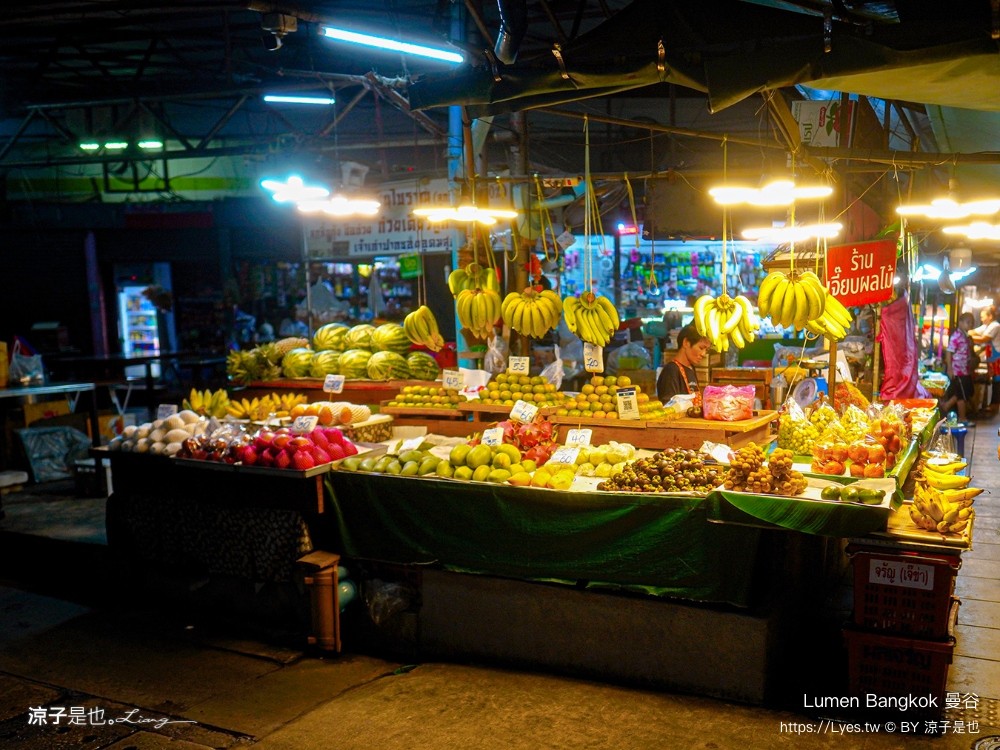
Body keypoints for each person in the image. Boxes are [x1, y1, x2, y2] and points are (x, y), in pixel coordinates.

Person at [656, 323, 711, 402]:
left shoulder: (691, 368)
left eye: (706, 350)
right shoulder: (671, 371)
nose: (703, 354)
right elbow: (669, 407)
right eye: (701, 348)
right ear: (686, 343)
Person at [939, 312, 976, 423]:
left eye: (971, 323)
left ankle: (946, 406)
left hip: (964, 370)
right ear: (960, 322)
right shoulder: (956, 336)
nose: (970, 325)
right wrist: (950, 368)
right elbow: (949, 352)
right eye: (967, 322)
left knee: (964, 391)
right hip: (957, 370)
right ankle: (962, 418)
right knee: (961, 396)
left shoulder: (966, 336)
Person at [969, 305, 1000, 417]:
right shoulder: (987, 325)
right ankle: (992, 403)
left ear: (990, 316)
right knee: (993, 380)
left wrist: (967, 337)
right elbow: (974, 331)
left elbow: (984, 339)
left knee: (997, 381)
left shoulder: (995, 326)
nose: (981, 319)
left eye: (983, 317)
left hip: (997, 357)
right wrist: (967, 331)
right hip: (992, 357)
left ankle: (995, 404)